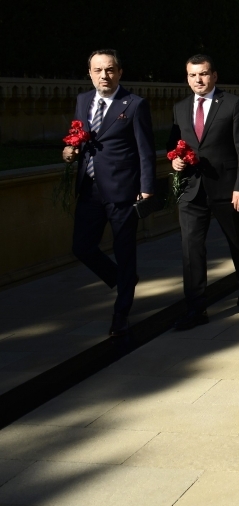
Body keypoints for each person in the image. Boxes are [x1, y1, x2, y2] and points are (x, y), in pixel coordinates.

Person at [62, 50, 156, 336]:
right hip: (90, 190)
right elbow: (76, 137)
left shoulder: (135, 104)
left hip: (123, 192)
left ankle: (121, 312)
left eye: (110, 69)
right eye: (98, 70)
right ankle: (122, 278)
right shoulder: (83, 101)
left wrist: (146, 189)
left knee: (124, 251)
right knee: (82, 247)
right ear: (90, 73)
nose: (104, 75)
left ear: (119, 72)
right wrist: (69, 151)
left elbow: (145, 151)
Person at [168, 54, 239, 330]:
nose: (198, 80)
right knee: (191, 249)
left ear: (214, 76)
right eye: (193, 75)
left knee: (237, 239)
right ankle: (196, 308)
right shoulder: (180, 108)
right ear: (187, 78)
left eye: (204, 74)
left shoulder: (232, 104)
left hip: (226, 187)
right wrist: (175, 160)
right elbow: (174, 144)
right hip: (192, 190)